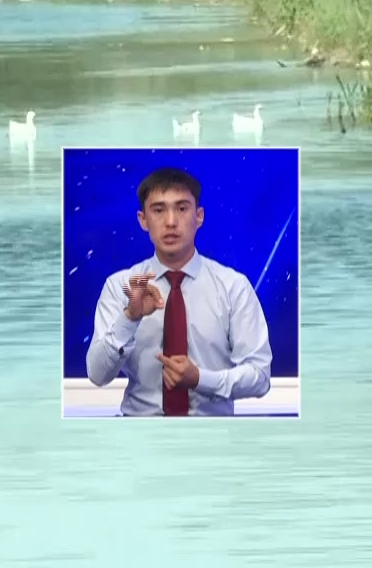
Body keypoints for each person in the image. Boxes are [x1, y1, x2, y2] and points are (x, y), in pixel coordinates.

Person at [84, 166, 272, 416]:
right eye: (158, 210)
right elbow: (97, 375)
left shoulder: (233, 287)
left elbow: (260, 377)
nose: (171, 222)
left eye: (182, 208)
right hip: (139, 437)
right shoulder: (121, 286)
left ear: (199, 216)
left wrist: (200, 379)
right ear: (143, 220)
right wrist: (129, 318)